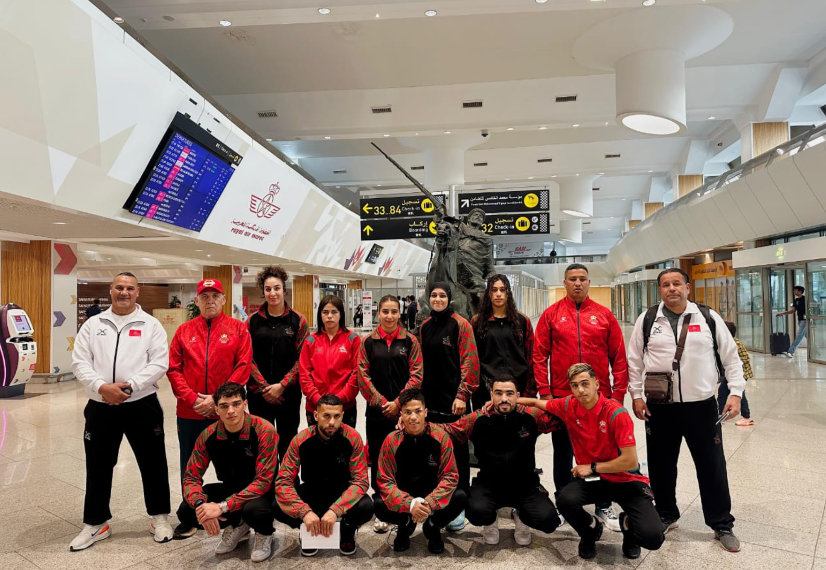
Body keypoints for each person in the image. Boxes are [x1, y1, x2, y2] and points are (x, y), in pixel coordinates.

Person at [627, 268, 745, 552]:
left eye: (676, 284)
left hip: (702, 406)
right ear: (660, 290)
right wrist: (636, 396)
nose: (671, 289)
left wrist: (737, 393)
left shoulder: (707, 318)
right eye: (665, 285)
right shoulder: (647, 320)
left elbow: (731, 358)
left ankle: (721, 523)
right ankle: (666, 513)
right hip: (659, 407)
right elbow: (634, 360)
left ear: (687, 287)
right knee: (661, 464)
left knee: (711, 465)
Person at [70, 272, 173, 550]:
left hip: (143, 404)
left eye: (129, 288)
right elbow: (80, 361)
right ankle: (95, 523)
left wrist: (129, 387)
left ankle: (159, 517)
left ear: (137, 292)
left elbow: (159, 363)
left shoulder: (151, 325)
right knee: (98, 465)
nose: (124, 292)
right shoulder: (93, 324)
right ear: (110, 290)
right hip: (100, 406)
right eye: (119, 287)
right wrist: (102, 387)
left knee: (153, 463)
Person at [520, 364, 665, 560]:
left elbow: (630, 461)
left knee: (653, 537)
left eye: (585, 384)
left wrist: (592, 467)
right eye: (575, 385)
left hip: (626, 480)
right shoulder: (569, 405)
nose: (580, 390)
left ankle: (628, 528)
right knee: (564, 499)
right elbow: (537, 403)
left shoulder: (616, 413)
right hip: (595, 479)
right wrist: (503, 401)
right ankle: (590, 530)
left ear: (597, 384)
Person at [532, 263, 629, 531]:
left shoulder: (604, 316)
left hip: (601, 400)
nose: (578, 283)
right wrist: (546, 392)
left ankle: (603, 503)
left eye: (582, 279)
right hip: (564, 399)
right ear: (564, 283)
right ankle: (563, 501)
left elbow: (619, 358)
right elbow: (539, 356)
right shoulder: (551, 315)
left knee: (603, 453)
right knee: (562, 452)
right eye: (572, 279)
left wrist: (618, 395)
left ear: (589, 283)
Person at [168, 278, 253, 538]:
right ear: (197, 301)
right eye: (205, 296)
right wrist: (193, 399)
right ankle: (192, 511)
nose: (210, 301)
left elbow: (243, 366)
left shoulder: (238, 329)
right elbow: (174, 369)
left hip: (227, 413)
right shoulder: (184, 331)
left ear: (224, 299)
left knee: (234, 466)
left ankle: (236, 514)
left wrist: (216, 402)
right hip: (190, 411)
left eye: (215, 295)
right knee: (189, 464)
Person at [442, 375, 563, 547]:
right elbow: (447, 431)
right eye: (498, 393)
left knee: (549, 521)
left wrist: (534, 402)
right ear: (491, 396)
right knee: (476, 511)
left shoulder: (530, 416)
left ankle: (521, 516)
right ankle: (490, 519)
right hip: (488, 485)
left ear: (517, 395)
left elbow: (566, 415)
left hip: (525, 486)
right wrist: (413, 424)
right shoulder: (478, 419)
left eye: (509, 393)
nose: (504, 398)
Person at [177, 383, 278, 563]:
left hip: (261, 492)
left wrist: (222, 507)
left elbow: (263, 482)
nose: (231, 410)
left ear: (245, 404)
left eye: (236, 404)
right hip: (230, 488)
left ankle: (264, 533)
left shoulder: (264, 430)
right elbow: (191, 477)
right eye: (224, 406)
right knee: (187, 511)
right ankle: (238, 524)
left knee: (255, 511)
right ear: (216, 409)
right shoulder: (208, 435)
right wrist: (201, 506)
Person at [273, 395, 374, 557]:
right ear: (316, 416)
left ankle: (346, 531)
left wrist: (336, 510)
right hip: (312, 491)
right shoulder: (300, 440)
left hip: (341, 491)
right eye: (326, 416)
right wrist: (304, 512)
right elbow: (283, 482)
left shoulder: (352, 437)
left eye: (336, 416)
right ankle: (306, 530)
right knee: (276, 506)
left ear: (342, 416)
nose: (332, 422)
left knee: (366, 506)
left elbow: (360, 481)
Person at [357, 294, 423, 533]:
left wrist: (398, 403)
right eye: (385, 311)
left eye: (394, 311)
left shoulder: (410, 341)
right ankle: (382, 507)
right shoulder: (368, 342)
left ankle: (405, 503)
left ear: (400, 313)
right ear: (378, 313)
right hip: (376, 413)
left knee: (403, 457)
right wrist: (382, 402)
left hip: (404, 413)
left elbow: (416, 375)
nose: (389, 316)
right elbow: (362, 377)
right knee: (377, 458)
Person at [374, 388, 467, 554]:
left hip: (432, 494)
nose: (413, 417)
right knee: (378, 504)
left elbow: (450, 476)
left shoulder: (441, 437)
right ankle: (405, 525)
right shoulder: (391, 440)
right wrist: (410, 504)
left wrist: (429, 503)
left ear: (425, 412)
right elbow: (384, 481)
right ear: (401, 414)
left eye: (417, 411)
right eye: (407, 412)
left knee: (460, 496)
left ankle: (432, 527)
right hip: (405, 495)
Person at [419, 282, 479, 531]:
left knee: (458, 453)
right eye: (434, 295)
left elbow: (470, 361)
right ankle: (435, 498)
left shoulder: (460, 325)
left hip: (454, 402)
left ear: (450, 299)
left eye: (442, 295)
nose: (438, 299)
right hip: (430, 402)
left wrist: (462, 395)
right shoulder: (424, 326)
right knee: (434, 452)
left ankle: (458, 503)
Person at [246, 266, 309, 462]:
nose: (272, 293)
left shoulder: (298, 320)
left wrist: (282, 385)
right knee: (261, 441)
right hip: (259, 394)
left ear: (284, 289)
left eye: (277, 288)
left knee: (288, 440)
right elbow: (247, 357)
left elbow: (303, 358)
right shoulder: (251, 321)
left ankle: (287, 484)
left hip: (288, 393)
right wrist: (266, 388)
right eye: (268, 289)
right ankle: (264, 484)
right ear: (263, 291)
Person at [470, 274, 535, 411]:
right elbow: (472, 359)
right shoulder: (477, 322)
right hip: (486, 388)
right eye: (494, 290)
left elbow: (531, 356)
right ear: (488, 293)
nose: (498, 294)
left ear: (508, 293)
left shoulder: (522, 321)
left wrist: (531, 390)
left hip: (518, 386)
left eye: (502, 290)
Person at [299, 295, 361, 428]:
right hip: (315, 406)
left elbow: (357, 374)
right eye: (325, 312)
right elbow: (305, 375)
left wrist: (340, 399)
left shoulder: (353, 340)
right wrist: (318, 400)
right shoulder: (310, 341)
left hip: (345, 406)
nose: (329, 316)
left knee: (344, 446)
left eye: (334, 312)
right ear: (320, 315)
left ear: (341, 314)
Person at [717, 321, 754, 427]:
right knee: (724, 392)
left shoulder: (730, 344)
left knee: (737, 394)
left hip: (739, 374)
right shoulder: (736, 341)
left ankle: (746, 416)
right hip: (741, 373)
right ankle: (720, 413)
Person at [778, 285, 807, 357]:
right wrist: (783, 313)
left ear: (800, 291)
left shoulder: (805, 299)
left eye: (795, 290)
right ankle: (816, 352)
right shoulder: (796, 300)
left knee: (799, 336)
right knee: (807, 336)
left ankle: (790, 351)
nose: (794, 291)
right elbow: (793, 310)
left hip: (805, 320)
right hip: (800, 320)